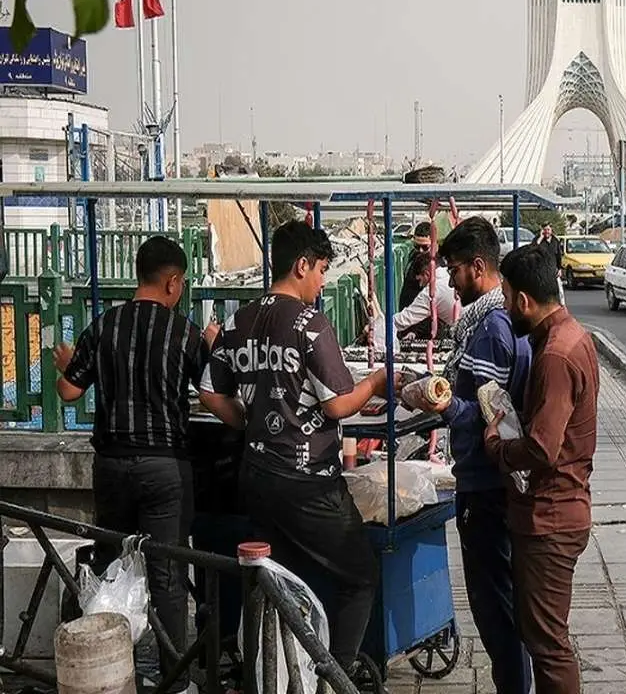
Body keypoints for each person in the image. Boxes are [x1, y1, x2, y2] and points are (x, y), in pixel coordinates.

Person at [199, 220, 399, 675]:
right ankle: (338, 678)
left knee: (280, 582)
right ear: (301, 264)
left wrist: (249, 423)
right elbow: (339, 404)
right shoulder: (310, 324)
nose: (324, 281)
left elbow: (211, 392)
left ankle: (280, 675)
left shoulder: (237, 321)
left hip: (256, 475)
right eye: (322, 269)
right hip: (308, 482)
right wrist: (377, 381)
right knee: (360, 576)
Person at [53, 236, 223, 694]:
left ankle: (112, 670)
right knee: (167, 574)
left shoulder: (103, 326)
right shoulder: (183, 332)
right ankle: (174, 678)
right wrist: (213, 344)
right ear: (173, 281)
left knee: (114, 566)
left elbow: (68, 391)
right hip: (165, 467)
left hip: (110, 466)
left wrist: (67, 364)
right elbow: (211, 389)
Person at [407, 216, 533, 694]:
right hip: (499, 481)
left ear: (479, 267)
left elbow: (488, 414)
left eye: (455, 271)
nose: (451, 284)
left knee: (495, 608)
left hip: (485, 483)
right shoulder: (508, 318)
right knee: (507, 604)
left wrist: (439, 403)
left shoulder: (489, 328)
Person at [485, 242, 599, 694]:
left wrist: (496, 444)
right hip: (559, 510)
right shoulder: (573, 336)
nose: (506, 307)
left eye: (508, 297)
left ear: (524, 301)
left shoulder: (554, 355)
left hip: (550, 517)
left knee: (547, 643)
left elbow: (542, 448)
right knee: (544, 636)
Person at [363, 250, 456, 345]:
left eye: (420, 280)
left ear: (427, 274)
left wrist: (375, 327)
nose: (420, 285)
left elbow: (404, 319)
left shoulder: (431, 292)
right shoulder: (446, 274)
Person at [398, 221, 434, 310]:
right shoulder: (412, 256)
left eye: (425, 247)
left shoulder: (437, 265)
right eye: (417, 246)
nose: (420, 250)